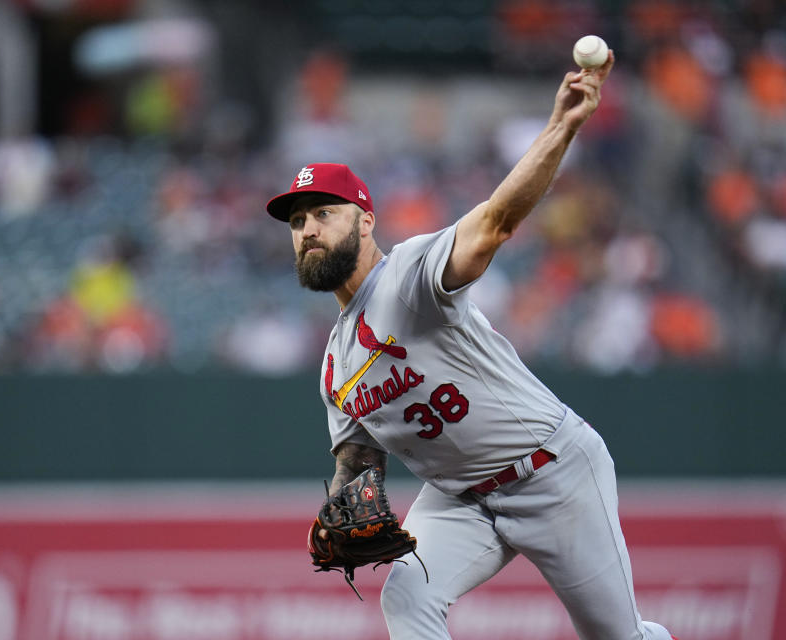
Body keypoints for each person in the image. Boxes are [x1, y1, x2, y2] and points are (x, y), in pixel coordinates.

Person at [266, 52, 675, 640]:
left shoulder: (407, 276)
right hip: (460, 500)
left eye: (322, 214)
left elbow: (497, 222)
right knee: (405, 596)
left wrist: (561, 127)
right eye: (296, 221)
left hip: (551, 473)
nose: (306, 229)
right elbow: (357, 463)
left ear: (364, 221)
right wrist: (344, 506)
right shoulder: (335, 367)